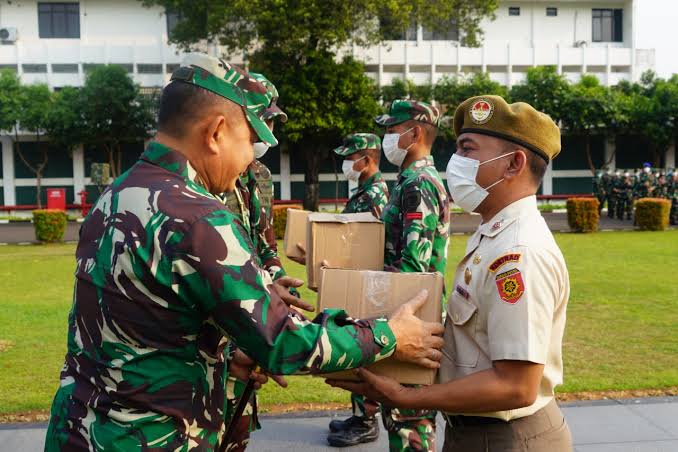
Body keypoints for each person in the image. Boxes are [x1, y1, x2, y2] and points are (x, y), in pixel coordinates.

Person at [43, 53, 446, 452]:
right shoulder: (198, 216)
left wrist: (229, 352)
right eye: (250, 140)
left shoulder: (116, 194)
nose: (251, 157)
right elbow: (284, 343)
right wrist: (389, 333)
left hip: (81, 426)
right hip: (149, 436)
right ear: (217, 132)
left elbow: (151, 319)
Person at [328, 95, 572, 452]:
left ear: (513, 164)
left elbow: (517, 385)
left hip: (508, 438)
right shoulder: (494, 234)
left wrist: (410, 396)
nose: (455, 162)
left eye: (467, 149)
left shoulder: (518, 254)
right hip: (476, 430)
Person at [374, 99, 451, 452]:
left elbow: (413, 269)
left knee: (410, 423)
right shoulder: (410, 181)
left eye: (391, 131)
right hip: (409, 315)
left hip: (413, 318)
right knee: (402, 419)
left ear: (415, 132)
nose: (385, 139)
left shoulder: (418, 184)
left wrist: (366, 292)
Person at [326, 132, 390, 447]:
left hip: (366, 283)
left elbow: (371, 244)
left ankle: (367, 420)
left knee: (365, 353)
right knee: (356, 349)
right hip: (356, 280)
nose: (346, 163)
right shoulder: (363, 191)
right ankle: (359, 414)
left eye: (350, 157)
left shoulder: (375, 194)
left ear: (366, 160)